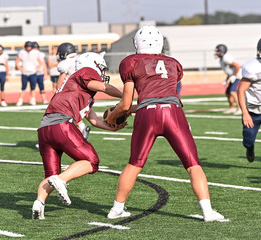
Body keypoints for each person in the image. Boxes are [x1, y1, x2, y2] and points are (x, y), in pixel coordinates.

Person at [105, 26, 225, 222]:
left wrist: (112, 117)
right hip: (173, 113)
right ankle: (208, 211)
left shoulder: (130, 62)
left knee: (134, 164)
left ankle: (116, 209)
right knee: (193, 164)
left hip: (147, 115)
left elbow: (126, 103)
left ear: (137, 43)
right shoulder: (173, 63)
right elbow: (162, 96)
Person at [32, 52, 125, 220]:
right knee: (92, 161)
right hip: (61, 125)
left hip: (44, 129)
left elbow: (94, 120)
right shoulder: (85, 72)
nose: (102, 74)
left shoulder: (75, 87)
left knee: (52, 176)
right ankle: (61, 181)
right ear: (93, 65)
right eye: (101, 69)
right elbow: (104, 87)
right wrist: (126, 96)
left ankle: (39, 203)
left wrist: (111, 129)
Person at [56, 42, 91, 140]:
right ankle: (80, 131)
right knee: (74, 116)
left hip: (69, 93)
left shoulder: (65, 63)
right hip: (84, 92)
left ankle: (81, 128)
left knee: (57, 118)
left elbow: (59, 84)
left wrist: (58, 95)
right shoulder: (81, 59)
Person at [237, 39, 261, 163]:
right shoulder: (253, 67)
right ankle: (249, 147)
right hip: (253, 110)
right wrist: (245, 113)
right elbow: (240, 91)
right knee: (248, 140)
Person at [215, 44, 242, 115]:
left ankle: (240, 108)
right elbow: (229, 71)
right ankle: (232, 107)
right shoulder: (222, 59)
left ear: (222, 51)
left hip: (238, 76)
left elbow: (237, 66)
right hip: (233, 76)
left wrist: (234, 76)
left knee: (233, 92)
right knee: (227, 92)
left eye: (218, 51)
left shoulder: (226, 58)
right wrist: (226, 80)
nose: (216, 53)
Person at [15, 41, 42, 106]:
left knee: (33, 87)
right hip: (25, 73)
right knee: (23, 87)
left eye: (29, 47)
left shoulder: (35, 53)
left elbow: (40, 62)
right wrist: (20, 68)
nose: (28, 48)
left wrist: (37, 68)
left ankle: (32, 99)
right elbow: (17, 62)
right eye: (27, 47)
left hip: (32, 72)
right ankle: (20, 100)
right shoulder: (22, 52)